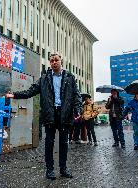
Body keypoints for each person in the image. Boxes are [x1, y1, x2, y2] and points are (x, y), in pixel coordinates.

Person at [6, 52, 82, 180]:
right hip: (49, 114)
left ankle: (63, 169)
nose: (54, 62)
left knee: (64, 143)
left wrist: (78, 109)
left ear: (61, 61)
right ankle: (50, 170)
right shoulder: (44, 78)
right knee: (49, 143)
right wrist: (15, 95)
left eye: (56, 60)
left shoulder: (69, 77)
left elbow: (76, 95)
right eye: (51, 61)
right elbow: (31, 91)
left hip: (65, 114)